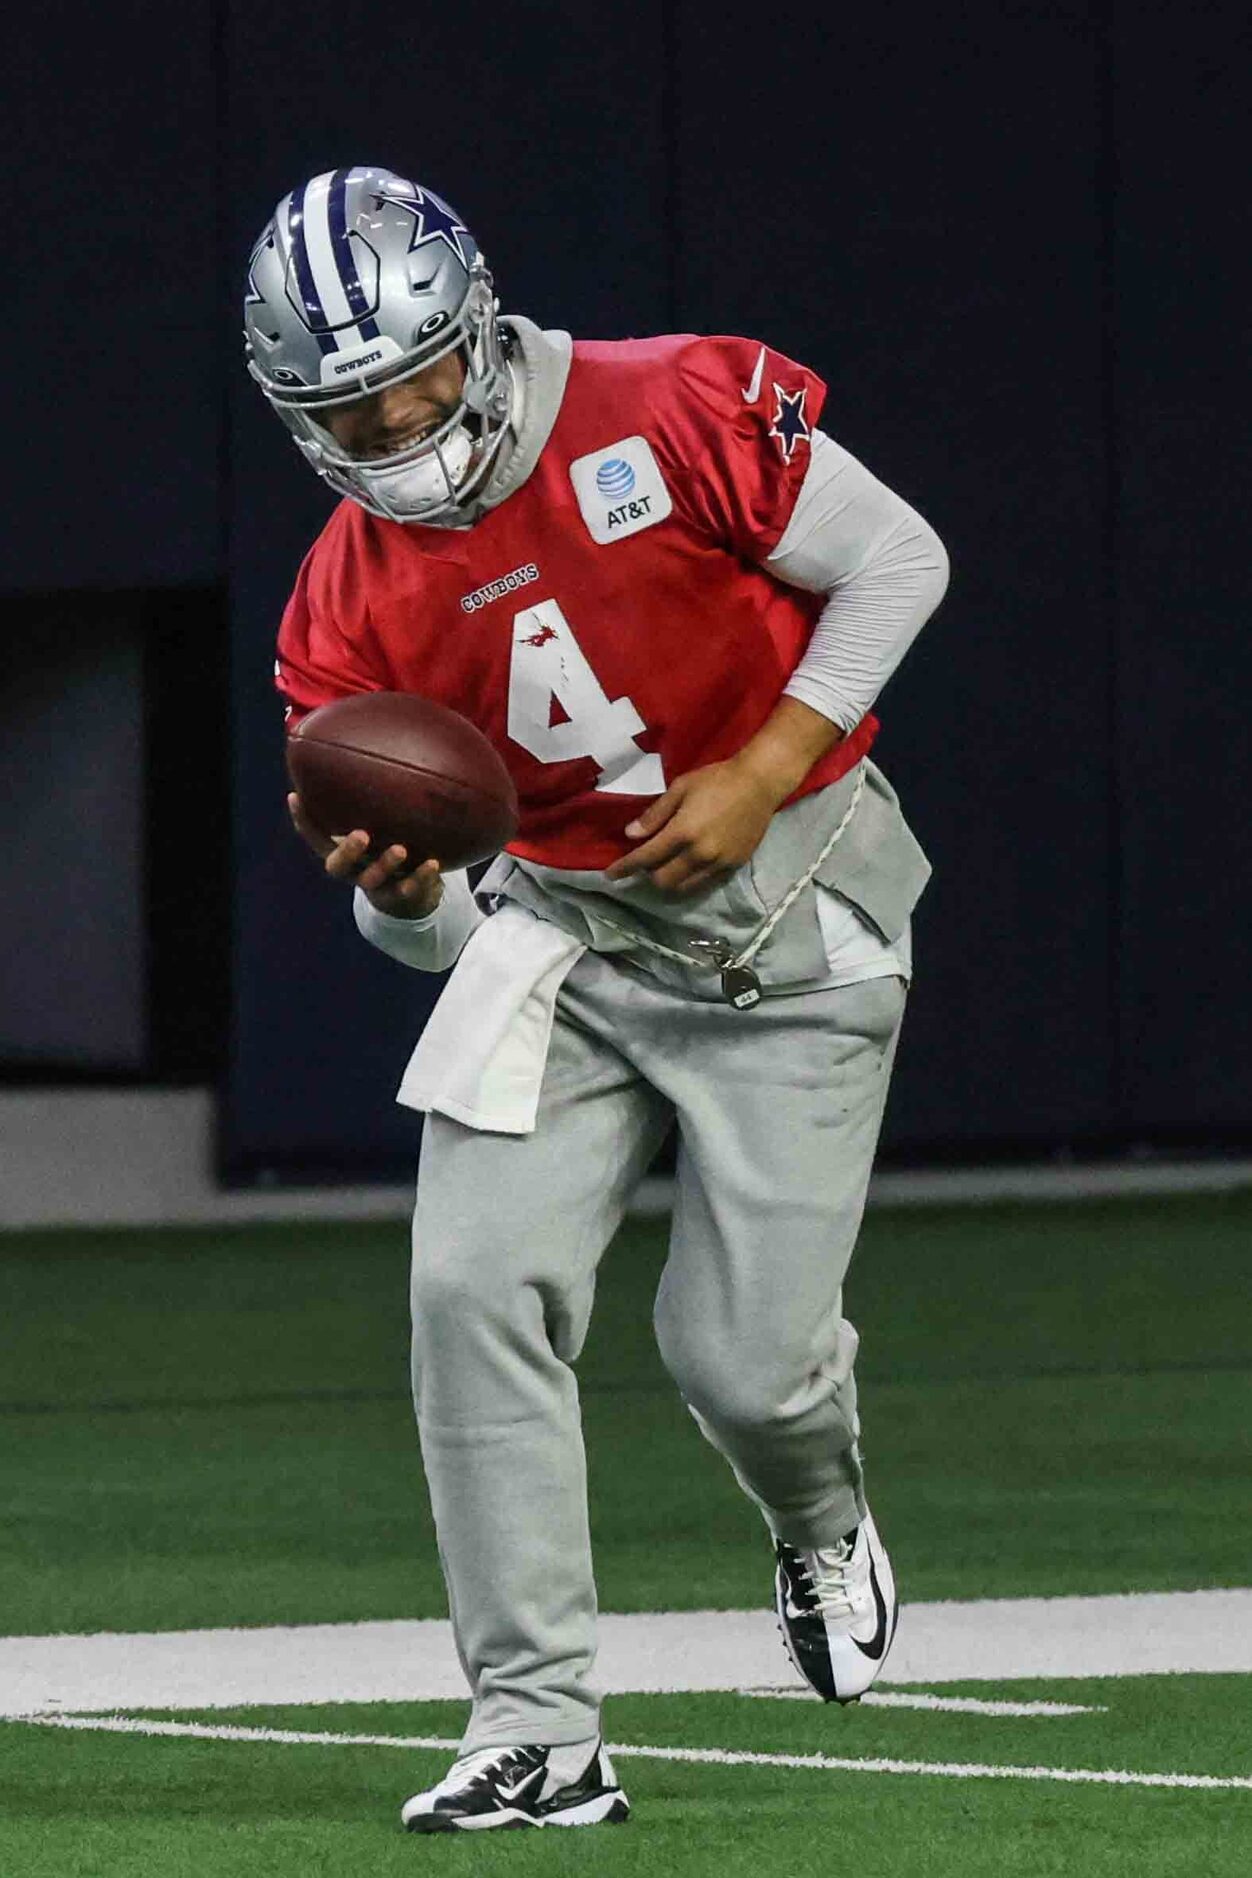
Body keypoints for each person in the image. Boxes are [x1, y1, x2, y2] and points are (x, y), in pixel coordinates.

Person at [245, 165, 948, 1834]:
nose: (403, 420)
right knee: (468, 1289)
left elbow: (899, 559)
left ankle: (820, 1514)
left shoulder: (672, 402)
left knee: (744, 1362)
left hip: (795, 919)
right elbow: (412, 928)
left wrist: (765, 761)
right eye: (352, 406)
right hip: (563, 940)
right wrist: (408, 899)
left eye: (417, 372)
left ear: (477, 324)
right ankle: (538, 1724)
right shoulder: (341, 605)